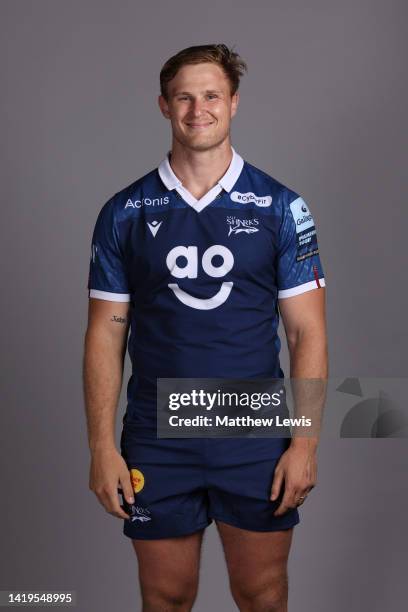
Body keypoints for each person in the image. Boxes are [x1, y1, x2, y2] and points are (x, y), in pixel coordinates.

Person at [83, 44, 328, 612]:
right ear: (164, 106)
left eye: (211, 95)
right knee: (166, 597)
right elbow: (105, 334)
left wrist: (306, 443)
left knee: (261, 594)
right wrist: (100, 446)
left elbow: (305, 335)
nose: (199, 109)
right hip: (157, 435)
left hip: (254, 433)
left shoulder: (281, 207)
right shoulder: (124, 212)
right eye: (184, 97)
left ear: (234, 103)